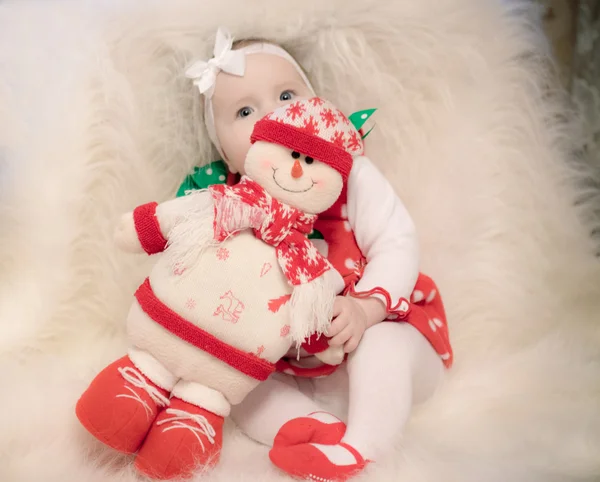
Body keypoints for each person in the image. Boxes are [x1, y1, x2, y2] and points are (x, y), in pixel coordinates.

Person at [182, 27, 453, 481]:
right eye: (245, 110)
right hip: (300, 371)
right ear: (227, 155)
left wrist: (367, 309)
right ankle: (319, 433)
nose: (276, 115)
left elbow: (397, 240)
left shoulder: (350, 174)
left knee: (383, 345)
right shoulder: (233, 207)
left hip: (392, 340)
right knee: (241, 391)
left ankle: (363, 450)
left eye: (287, 95)